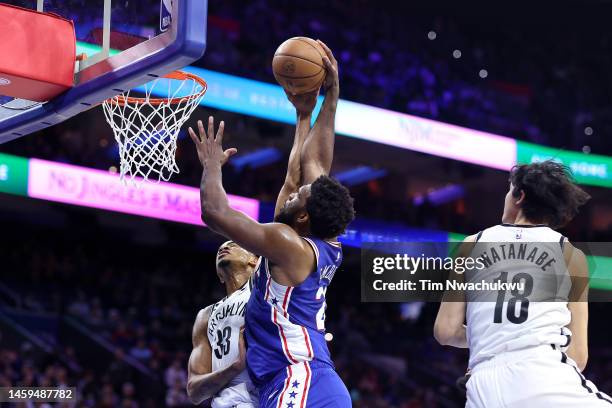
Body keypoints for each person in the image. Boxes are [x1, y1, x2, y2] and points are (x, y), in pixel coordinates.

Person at [189, 40, 355, 407]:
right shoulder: (318, 239)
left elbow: (214, 213)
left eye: (297, 196)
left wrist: (212, 167)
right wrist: (317, 106)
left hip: (298, 377)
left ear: (303, 216)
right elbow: (311, 171)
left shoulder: (287, 244)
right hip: (304, 380)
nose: (291, 190)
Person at [434, 160, 612, 407]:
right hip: (542, 373)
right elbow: (578, 356)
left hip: (482, 387)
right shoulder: (570, 254)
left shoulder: (471, 244)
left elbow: (445, 331)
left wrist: (494, 337)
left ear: (520, 196)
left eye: (509, 190)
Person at [187, 241, 259, 407]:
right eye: (219, 248)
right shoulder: (205, 316)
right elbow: (194, 391)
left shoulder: (265, 287)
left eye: (234, 244)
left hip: (263, 398)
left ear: (255, 260)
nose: (224, 248)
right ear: (220, 276)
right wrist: (235, 367)